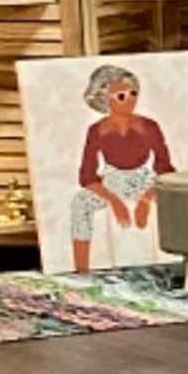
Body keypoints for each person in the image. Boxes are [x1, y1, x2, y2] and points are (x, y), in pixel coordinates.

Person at [70, 59, 176, 275]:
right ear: (105, 98)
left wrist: (147, 199)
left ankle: (180, 261)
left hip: (145, 179)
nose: (129, 101)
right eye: (121, 96)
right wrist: (114, 201)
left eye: (133, 94)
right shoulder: (96, 131)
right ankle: (81, 270)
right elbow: (87, 175)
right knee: (80, 203)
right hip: (112, 181)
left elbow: (165, 169)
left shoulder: (149, 126)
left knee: (180, 198)